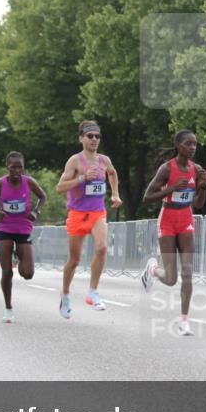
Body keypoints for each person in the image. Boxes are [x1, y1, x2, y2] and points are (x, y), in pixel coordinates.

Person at [139, 129, 206, 336]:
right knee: (170, 278)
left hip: (186, 219)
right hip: (168, 220)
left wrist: (203, 187)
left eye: (195, 144)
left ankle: (184, 321)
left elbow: (198, 203)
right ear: (178, 146)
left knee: (187, 273)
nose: (193, 147)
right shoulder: (166, 169)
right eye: (188, 144)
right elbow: (147, 197)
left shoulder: (196, 169)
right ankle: (152, 270)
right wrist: (172, 189)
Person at [54, 120, 123, 319]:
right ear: (81, 138)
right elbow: (59, 188)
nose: (94, 139)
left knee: (102, 248)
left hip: (97, 212)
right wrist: (83, 178)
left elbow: (112, 173)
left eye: (97, 136)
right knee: (74, 260)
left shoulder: (104, 160)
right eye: (90, 136)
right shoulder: (75, 161)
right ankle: (65, 294)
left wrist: (115, 194)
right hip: (77, 213)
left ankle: (92, 291)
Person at [0, 151, 48, 324]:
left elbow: (43, 196)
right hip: (6, 228)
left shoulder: (29, 182)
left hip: (23, 228)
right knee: (7, 271)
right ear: (7, 167)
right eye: (13, 167)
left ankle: (19, 255)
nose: (17, 170)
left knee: (28, 274)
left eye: (20, 167)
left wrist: (37, 212)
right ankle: (8, 309)